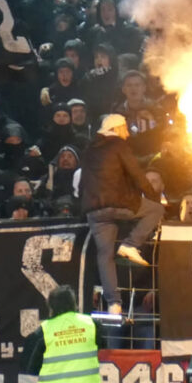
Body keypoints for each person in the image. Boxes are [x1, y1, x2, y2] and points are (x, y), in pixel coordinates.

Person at [79, 113, 162, 316]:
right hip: (118, 203)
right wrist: (153, 198)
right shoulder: (117, 144)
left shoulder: (89, 149)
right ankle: (131, 244)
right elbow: (136, 174)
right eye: (124, 128)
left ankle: (113, 304)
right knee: (155, 210)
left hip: (94, 210)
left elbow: (84, 181)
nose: (127, 132)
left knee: (104, 255)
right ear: (115, 129)